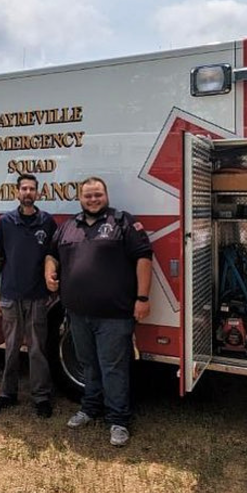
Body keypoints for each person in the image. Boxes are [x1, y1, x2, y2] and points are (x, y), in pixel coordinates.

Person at [44, 177, 153, 447]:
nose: (93, 199)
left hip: (114, 315)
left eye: (98, 195)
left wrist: (142, 298)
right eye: (88, 195)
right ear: (79, 198)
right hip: (77, 314)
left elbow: (144, 258)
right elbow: (51, 253)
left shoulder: (122, 222)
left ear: (106, 195)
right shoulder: (69, 226)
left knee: (113, 368)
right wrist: (49, 269)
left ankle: (118, 421)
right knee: (88, 364)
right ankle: (89, 408)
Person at [0, 173, 58, 418]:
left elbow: (54, 257)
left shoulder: (48, 223)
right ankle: (8, 393)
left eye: (32, 189)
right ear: (17, 193)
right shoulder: (5, 222)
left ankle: (41, 396)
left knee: (38, 348)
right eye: (24, 188)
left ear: (38, 193)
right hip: (9, 296)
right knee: (11, 347)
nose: (28, 193)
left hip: (37, 297)